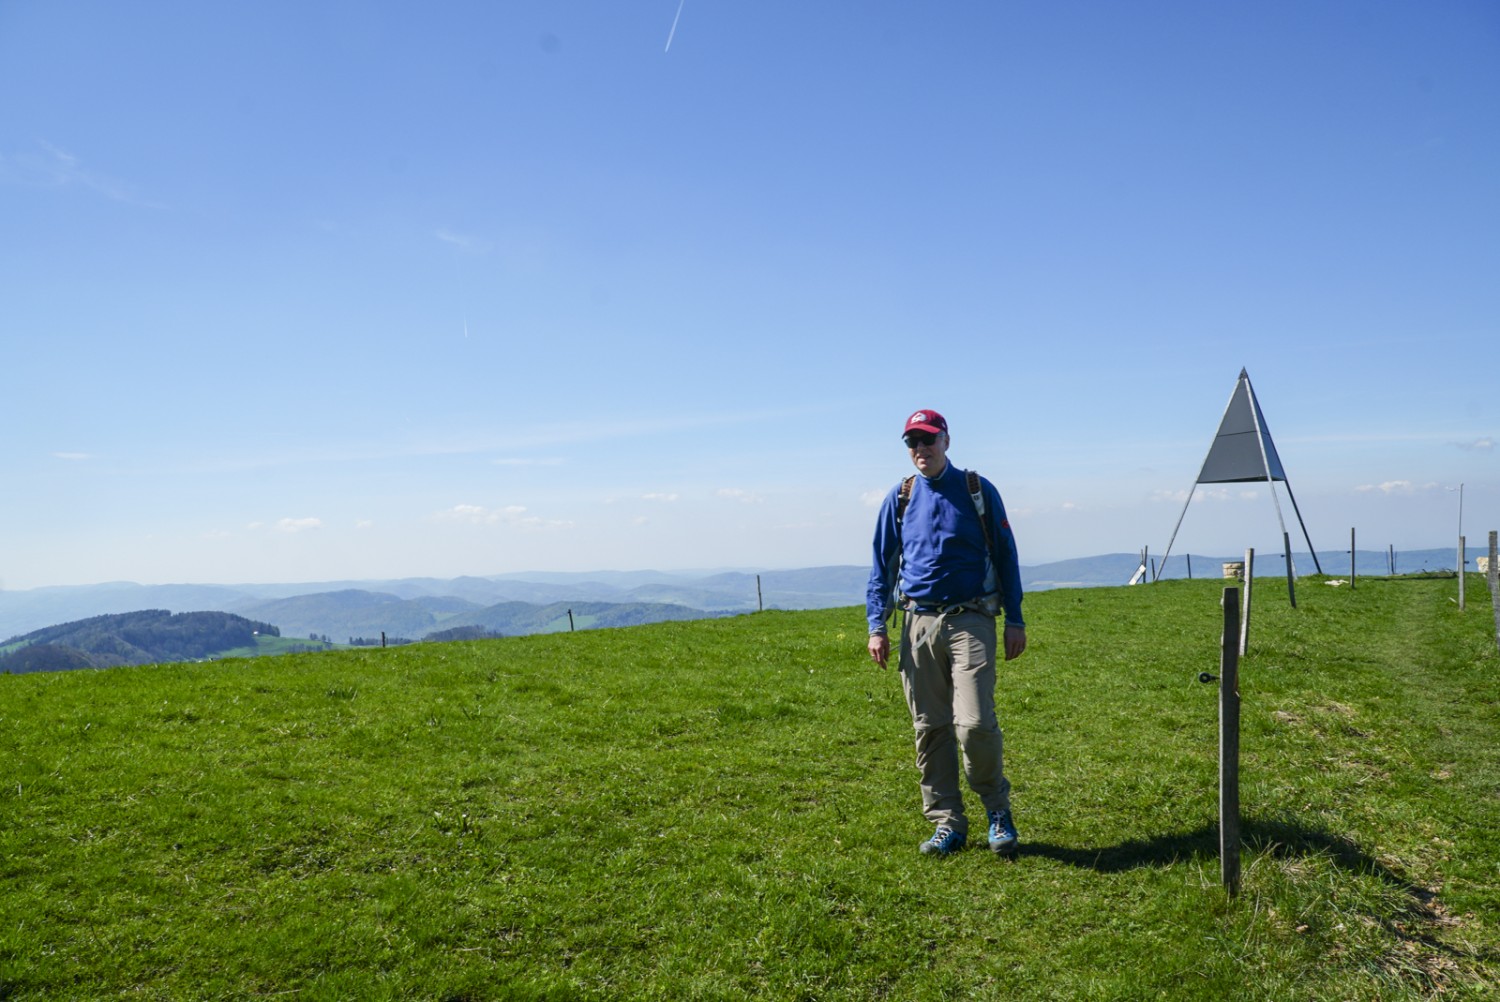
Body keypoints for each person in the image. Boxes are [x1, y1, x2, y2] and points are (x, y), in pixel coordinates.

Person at [866, 409, 1027, 856]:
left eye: (928, 439)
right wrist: (876, 626)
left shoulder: (977, 490)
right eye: (912, 442)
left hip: (971, 618)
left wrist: (1015, 618)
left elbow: (1007, 555)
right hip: (917, 623)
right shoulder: (900, 498)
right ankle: (947, 823)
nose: (921, 448)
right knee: (930, 727)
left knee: (974, 723)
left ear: (947, 441)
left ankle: (997, 809)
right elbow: (881, 568)